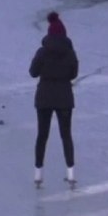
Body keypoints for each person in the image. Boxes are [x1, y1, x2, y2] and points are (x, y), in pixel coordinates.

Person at [29, 12, 78, 188]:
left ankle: (38, 174)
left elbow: (33, 72)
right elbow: (74, 74)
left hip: (44, 98)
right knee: (66, 135)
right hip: (64, 98)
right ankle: (71, 174)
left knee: (42, 135)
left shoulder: (42, 52)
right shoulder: (70, 52)